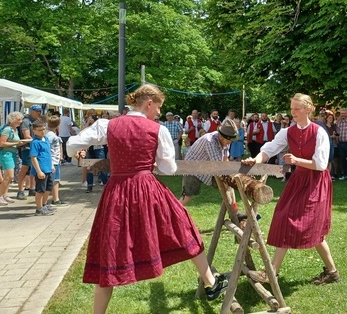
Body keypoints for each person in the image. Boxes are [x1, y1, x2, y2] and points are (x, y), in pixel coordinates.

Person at [66, 84, 228, 313]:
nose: (160, 113)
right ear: (149, 103)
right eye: (159, 107)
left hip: (117, 191)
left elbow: (72, 145)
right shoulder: (157, 130)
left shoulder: (108, 124)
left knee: (110, 250)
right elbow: (169, 168)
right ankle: (211, 282)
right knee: (183, 226)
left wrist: (77, 152)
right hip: (146, 189)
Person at [242, 93, 339, 284]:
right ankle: (330, 272)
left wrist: (296, 161)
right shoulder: (288, 132)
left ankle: (272, 273)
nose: (293, 112)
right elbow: (270, 148)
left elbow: (320, 164)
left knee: (309, 226)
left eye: (297, 109)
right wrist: (255, 160)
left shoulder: (319, 132)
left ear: (309, 109)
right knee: (285, 217)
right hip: (299, 180)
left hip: (316, 182)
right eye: (292, 108)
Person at [180, 118, 245, 220]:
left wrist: (233, 174)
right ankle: (172, 213)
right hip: (193, 169)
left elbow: (224, 159)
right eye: (228, 140)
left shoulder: (225, 140)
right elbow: (218, 166)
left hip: (207, 168)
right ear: (221, 136)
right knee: (187, 196)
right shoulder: (209, 141)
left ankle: (234, 213)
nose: (229, 143)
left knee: (229, 184)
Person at [16, 104, 44, 199]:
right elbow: (26, 135)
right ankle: (20, 190)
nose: (39, 113)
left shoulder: (38, 120)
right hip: (27, 148)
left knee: (34, 169)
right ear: (31, 111)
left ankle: (32, 188)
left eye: (40, 111)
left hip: (36, 147)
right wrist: (38, 141)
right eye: (37, 111)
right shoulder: (26, 121)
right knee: (25, 168)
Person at [0, 111, 28, 205]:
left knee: (8, 177)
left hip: (11, 153)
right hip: (5, 154)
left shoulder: (14, 129)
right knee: (9, 176)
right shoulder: (8, 129)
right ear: (12, 120)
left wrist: (21, 143)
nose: (20, 121)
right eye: (18, 119)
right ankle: (1, 196)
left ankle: (5, 195)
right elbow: (2, 143)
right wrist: (17, 143)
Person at [30, 121, 56, 216]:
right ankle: (39, 208)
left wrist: (52, 165)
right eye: (40, 130)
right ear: (34, 131)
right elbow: (33, 157)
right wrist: (39, 171)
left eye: (44, 129)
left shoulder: (46, 139)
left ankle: (44, 204)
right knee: (40, 190)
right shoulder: (35, 142)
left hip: (48, 168)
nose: (43, 131)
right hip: (41, 170)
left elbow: (49, 154)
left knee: (48, 188)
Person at [46, 115, 67, 205]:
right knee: (53, 181)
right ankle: (52, 200)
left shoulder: (51, 135)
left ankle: (55, 198)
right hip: (52, 161)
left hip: (55, 160)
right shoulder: (51, 136)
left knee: (55, 180)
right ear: (58, 124)